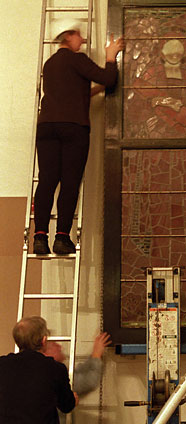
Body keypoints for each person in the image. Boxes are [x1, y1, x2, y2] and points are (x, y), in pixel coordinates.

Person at [33, 20, 124, 256]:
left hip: (47, 126)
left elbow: (70, 93)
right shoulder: (77, 59)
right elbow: (108, 78)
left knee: (47, 180)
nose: (82, 40)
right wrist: (111, 56)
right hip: (73, 128)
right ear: (68, 36)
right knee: (70, 181)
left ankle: (39, 237)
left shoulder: (50, 64)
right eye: (79, 36)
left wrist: (94, 91)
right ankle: (62, 237)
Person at [0, 316, 77, 424]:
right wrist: (73, 399)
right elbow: (66, 405)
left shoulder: (2, 365)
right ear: (43, 340)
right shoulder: (55, 369)